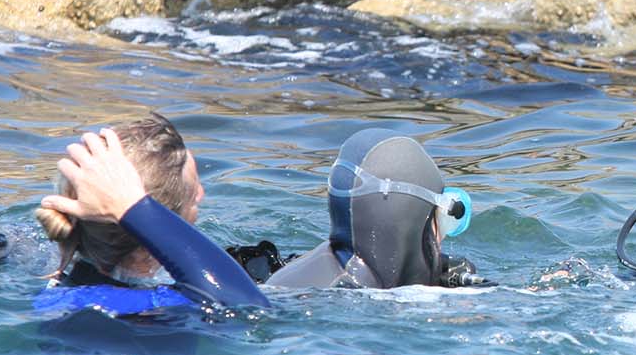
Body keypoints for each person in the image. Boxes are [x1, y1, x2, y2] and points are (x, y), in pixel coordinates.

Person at [33, 115, 268, 313]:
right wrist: (132, 208)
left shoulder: (55, 292)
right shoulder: (161, 307)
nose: (201, 194)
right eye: (194, 192)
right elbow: (248, 306)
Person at [264, 128, 482, 289]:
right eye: (443, 220)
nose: (441, 237)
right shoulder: (350, 299)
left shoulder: (299, 274)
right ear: (413, 220)